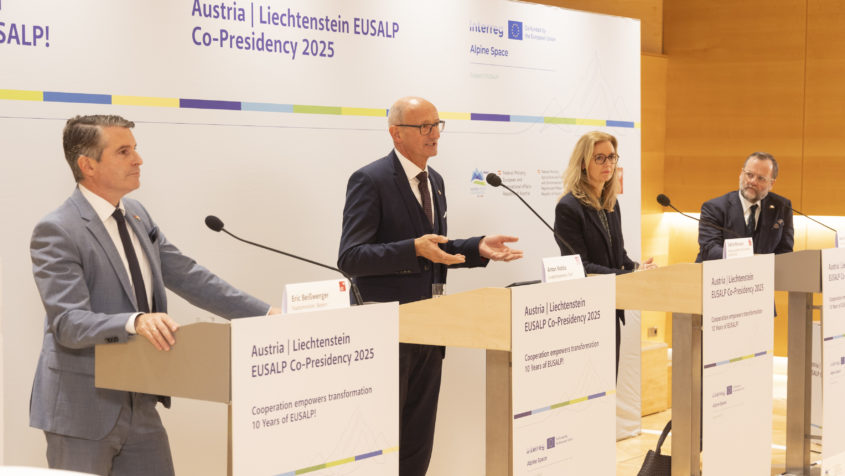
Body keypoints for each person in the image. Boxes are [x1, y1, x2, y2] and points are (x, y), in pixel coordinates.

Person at [29, 115, 277, 476]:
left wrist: (265, 315)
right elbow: (68, 322)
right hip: (83, 408)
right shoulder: (57, 230)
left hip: (141, 398)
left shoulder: (138, 216)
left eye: (136, 149)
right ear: (88, 165)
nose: (138, 159)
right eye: (124, 151)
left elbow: (190, 277)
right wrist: (135, 321)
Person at [338, 96, 522, 476]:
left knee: (418, 447)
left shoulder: (433, 180)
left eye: (437, 124)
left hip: (431, 330)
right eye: (424, 126)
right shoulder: (369, 180)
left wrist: (476, 248)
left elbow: (435, 248)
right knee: (380, 447)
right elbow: (351, 257)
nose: (434, 133)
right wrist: (411, 249)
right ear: (396, 134)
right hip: (387, 333)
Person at [553, 131, 655, 374]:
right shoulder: (569, 207)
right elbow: (581, 267)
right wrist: (629, 276)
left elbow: (618, 256)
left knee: (608, 384)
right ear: (582, 163)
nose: (608, 163)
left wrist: (637, 268)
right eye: (599, 158)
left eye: (611, 157)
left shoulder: (610, 203)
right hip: (583, 311)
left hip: (609, 305)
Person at [695, 151, 794, 261]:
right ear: (741, 174)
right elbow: (710, 249)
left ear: (771, 184)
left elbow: (785, 252)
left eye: (761, 178)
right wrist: (748, 260)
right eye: (749, 175)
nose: (752, 182)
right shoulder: (714, 208)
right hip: (720, 274)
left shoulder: (782, 207)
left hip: (763, 275)